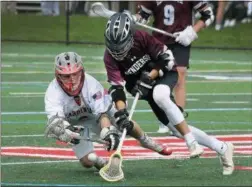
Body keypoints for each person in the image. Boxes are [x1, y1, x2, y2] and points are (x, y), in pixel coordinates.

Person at [103, 12, 234, 175]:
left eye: (121, 46)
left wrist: (150, 76)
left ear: (130, 36)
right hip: (145, 88)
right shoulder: (109, 58)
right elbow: (117, 89)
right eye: (114, 46)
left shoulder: (142, 38)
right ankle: (222, 147)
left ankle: (191, 142)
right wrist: (122, 113)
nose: (118, 51)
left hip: (164, 73)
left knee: (160, 94)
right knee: (174, 128)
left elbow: (167, 59)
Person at [44, 52, 172, 171]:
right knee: (87, 162)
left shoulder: (91, 84)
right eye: (66, 76)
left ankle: (146, 140)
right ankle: (102, 163)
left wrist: (108, 131)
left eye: (75, 73)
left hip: (98, 114)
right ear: (58, 75)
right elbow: (56, 121)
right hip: (77, 124)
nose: (72, 79)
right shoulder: (53, 92)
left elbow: (102, 114)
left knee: (124, 123)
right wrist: (65, 131)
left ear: (81, 71)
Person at [135, 1, 214, 133]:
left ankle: (179, 117)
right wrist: (133, 19)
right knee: (160, 78)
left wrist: (191, 32)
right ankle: (164, 118)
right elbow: (144, 16)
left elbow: (208, 14)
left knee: (180, 75)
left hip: (181, 40)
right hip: (158, 41)